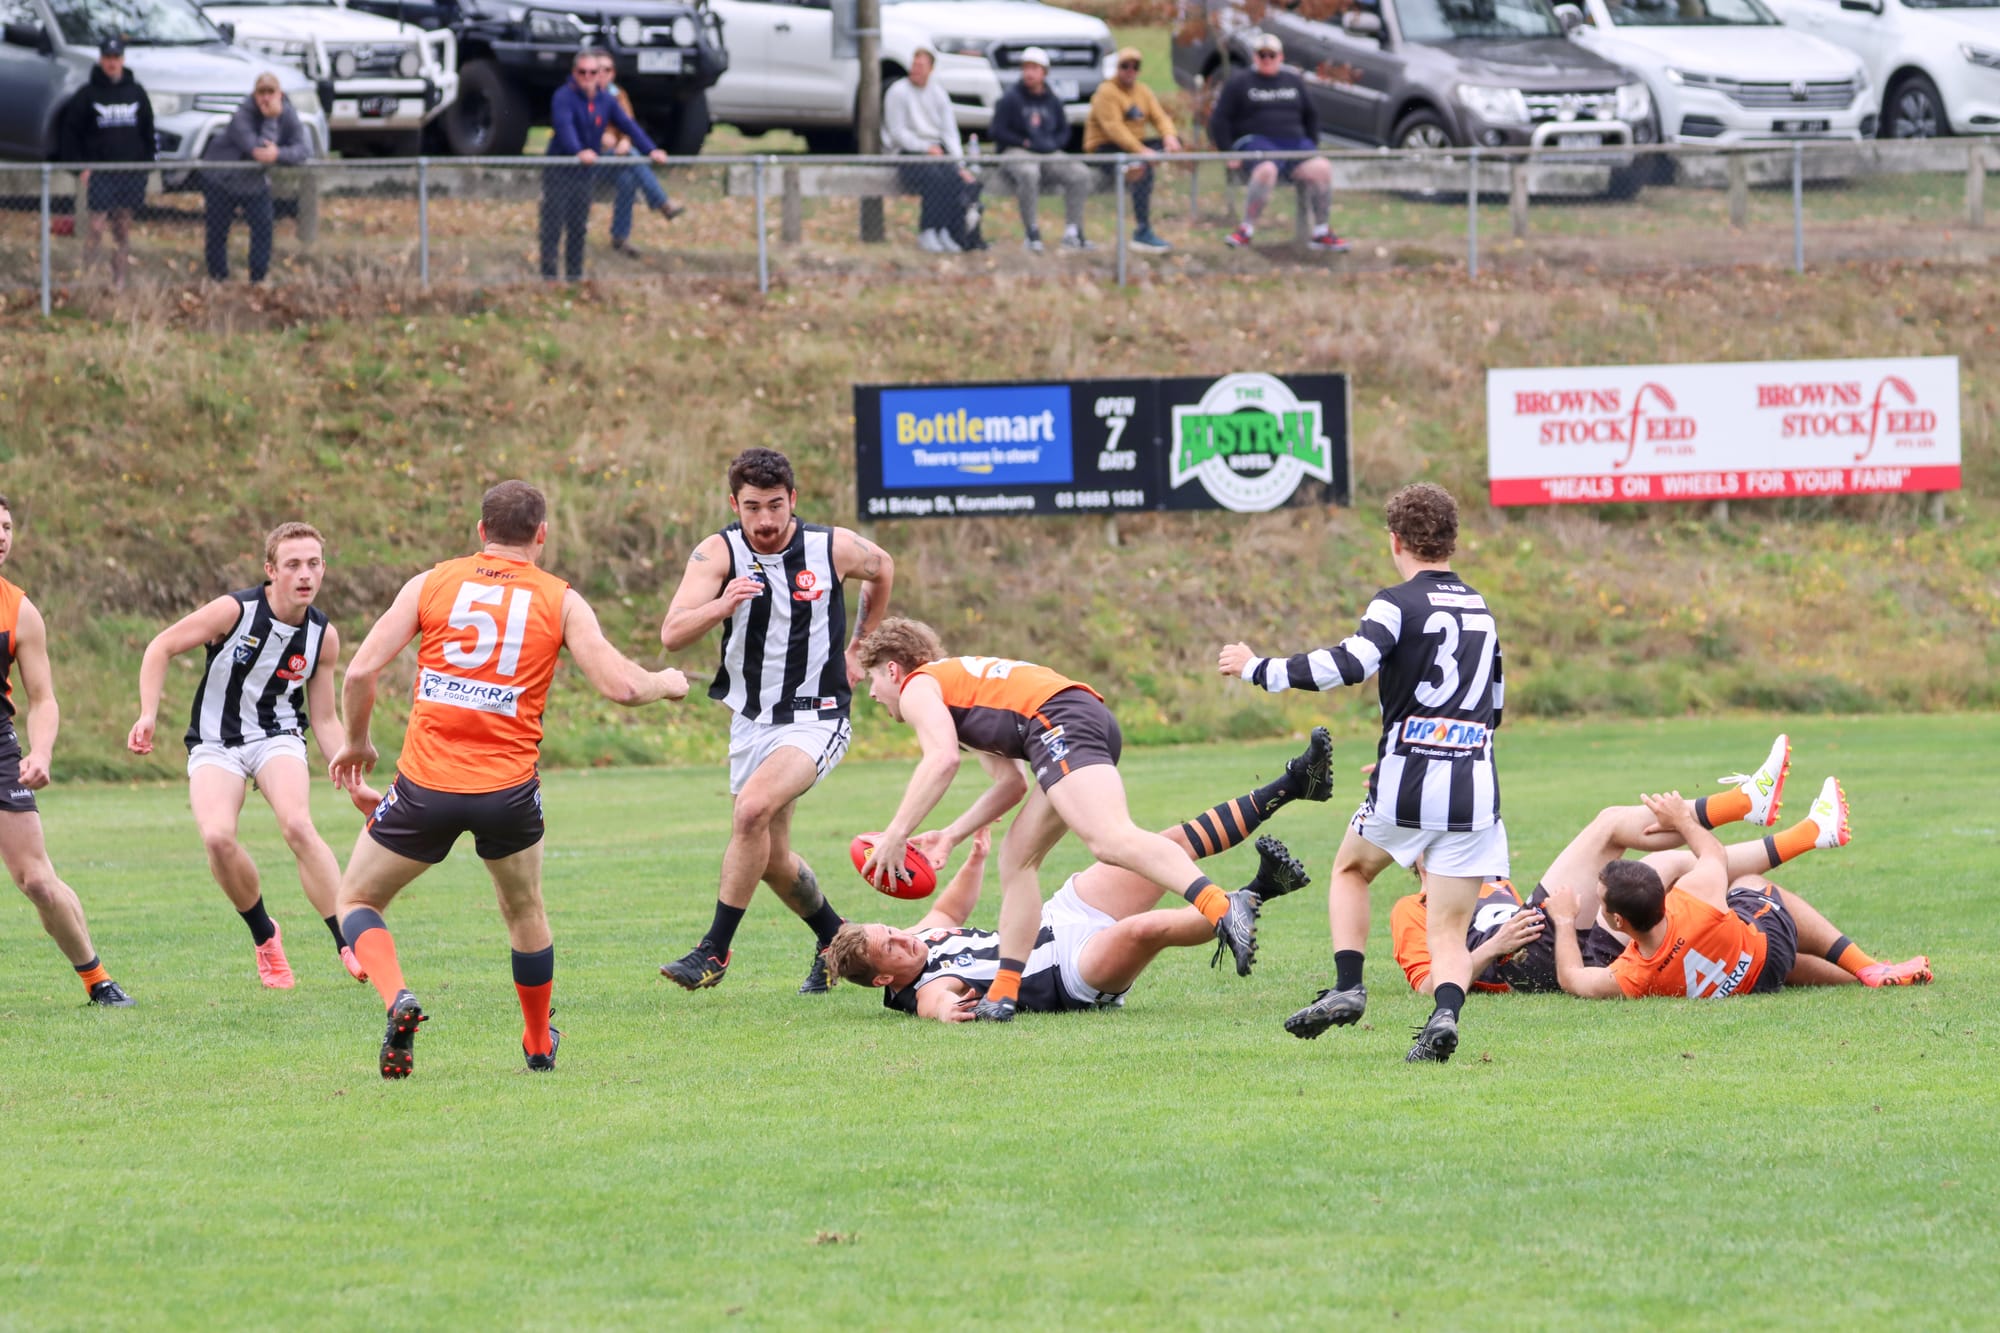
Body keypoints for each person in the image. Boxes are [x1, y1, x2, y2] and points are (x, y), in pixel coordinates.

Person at [330, 481, 689, 1079]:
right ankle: (537, 1040)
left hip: (426, 786)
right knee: (523, 911)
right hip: (507, 792)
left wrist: (358, 740)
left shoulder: (432, 582)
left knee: (357, 901)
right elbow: (622, 687)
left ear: (480, 533)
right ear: (542, 534)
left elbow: (361, 670)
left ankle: (398, 999)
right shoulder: (560, 599)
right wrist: (666, 680)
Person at [855, 620, 1334, 1021]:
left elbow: (940, 761)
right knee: (1016, 859)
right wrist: (952, 835)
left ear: (894, 669)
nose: (875, 694)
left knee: (1109, 840)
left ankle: (1220, 906)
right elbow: (1011, 785)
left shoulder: (919, 687)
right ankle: (1003, 993)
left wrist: (895, 836)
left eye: (872, 681)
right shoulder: (955, 694)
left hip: (1056, 722)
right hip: (1070, 717)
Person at [1218, 482, 1500, 1062]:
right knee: (1448, 927)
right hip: (1475, 786)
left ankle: (1348, 987)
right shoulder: (1482, 610)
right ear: (1452, 540)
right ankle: (1444, 1014)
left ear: (1394, 540)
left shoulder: (1395, 601)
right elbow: (1493, 705)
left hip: (1409, 779)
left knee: (1349, 869)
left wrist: (1256, 668)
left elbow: (1346, 664)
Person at [1387, 736, 1894, 995]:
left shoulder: (1489, 879)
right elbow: (1433, 984)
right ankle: (1762, 813)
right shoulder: (1413, 909)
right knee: (1644, 851)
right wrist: (1498, 946)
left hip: (1554, 934)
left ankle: (1768, 815)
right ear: (1421, 858)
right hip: (1530, 959)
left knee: (1637, 850)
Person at [657, 448, 894, 994]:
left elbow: (882, 569)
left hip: (817, 715)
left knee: (751, 812)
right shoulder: (717, 552)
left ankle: (713, 951)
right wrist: (722, 604)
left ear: (794, 499)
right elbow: (673, 633)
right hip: (751, 720)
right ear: (733, 504)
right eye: (752, 507)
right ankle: (837, 940)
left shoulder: (829, 546)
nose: (764, 520)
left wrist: (861, 646)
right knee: (770, 857)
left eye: (775, 506)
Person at [125, 522, 377, 989]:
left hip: (277, 734)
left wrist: (350, 773)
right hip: (214, 741)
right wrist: (147, 714)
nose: (306, 574)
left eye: (314, 564)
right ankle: (266, 936)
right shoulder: (234, 611)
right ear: (271, 570)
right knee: (218, 839)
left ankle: (348, 940)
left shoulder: (324, 635)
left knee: (298, 825)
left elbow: (322, 718)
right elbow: (160, 647)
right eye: (293, 565)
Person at [826, 810, 1311, 1020]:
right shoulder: (924, 989)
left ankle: (1291, 785)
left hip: (1058, 918)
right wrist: (949, 1015)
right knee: (1145, 929)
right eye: (890, 946)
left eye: (891, 929)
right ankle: (1255, 891)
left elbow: (948, 909)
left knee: (1158, 846)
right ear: (881, 980)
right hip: (1070, 973)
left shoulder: (916, 938)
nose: (903, 938)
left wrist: (974, 858)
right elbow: (939, 1007)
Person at [1549, 787, 1932, 1000]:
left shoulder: (1629, 977)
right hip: (1766, 956)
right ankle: (1866, 965)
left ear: (1619, 922)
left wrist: (1565, 920)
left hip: (1749, 981)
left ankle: (1860, 977)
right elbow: (1712, 854)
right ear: (1663, 899)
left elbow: (1571, 977)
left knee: (1742, 935)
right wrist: (1682, 820)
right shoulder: (1692, 899)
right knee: (1748, 886)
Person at [0, 496, 133, 1007]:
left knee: (36, 879)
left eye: (8, 527)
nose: (3, 536)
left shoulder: (20, 609)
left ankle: (97, 980)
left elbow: (43, 699)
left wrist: (42, 752)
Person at [1207, 33, 1347, 253]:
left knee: (1322, 168)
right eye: (1261, 54)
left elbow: (1311, 115)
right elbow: (1219, 119)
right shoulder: (1239, 82)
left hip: (1294, 144)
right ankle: (1246, 230)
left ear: (1280, 56)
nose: (1266, 59)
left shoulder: (1293, 81)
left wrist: (1311, 143)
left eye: (1271, 54)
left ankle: (1321, 232)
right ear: (1254, 56)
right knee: (1267, 169)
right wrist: (1228, 152)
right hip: (1257, 144)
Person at [541, 49, 666, 281]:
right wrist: (578, 151)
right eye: (582, 72)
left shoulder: (606, 100)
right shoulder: (563, 97)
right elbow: (564, 127)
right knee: (553, 224)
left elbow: (629, 126)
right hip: (560, 170)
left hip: (584, 173)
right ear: (574, 73)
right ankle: (549, 277)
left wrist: (651, 149)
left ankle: (574, 277)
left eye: (593, 72)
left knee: (578, 226)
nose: (588, 77)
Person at [57, 38, 154, 290]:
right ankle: (88, 278)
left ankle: (118, 281)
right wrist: (81, 168)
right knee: (96, 227)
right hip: (100, 172)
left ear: (122, 59)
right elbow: (70, 134)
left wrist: (145, 166)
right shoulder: (87, 94)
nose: (112, 62)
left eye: (116, 57)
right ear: (101, 59)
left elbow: (148, 131)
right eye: (107, 57)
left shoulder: (136, 92)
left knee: (122, 229)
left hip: (129, 172)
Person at [199, 72, 311, 283]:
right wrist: (270, 119)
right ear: (254, 94)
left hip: (254, 182)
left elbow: (303, 149)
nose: (266, 98)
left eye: (271, 92)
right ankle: (218, 280)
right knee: (217, 232)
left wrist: (279, 154)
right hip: (222, 178)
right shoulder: (242, 114)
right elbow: (259, 151)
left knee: (263, 228)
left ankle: (258, 280)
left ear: (280, 94)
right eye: (261, 93)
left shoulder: (287, 113)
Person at [990, 47, 1093, 253]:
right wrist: (1024, 142)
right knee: (1029, 172)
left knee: (1080, 174)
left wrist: (1053, 144)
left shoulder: (1052, 100)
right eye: (1026, 67)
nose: (1029, 73)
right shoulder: (1011, 98)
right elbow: (996, 130)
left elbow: (1064, 130)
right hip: (1018, 150)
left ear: (1044, 72)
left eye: (1034, 68)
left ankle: (1073, 232)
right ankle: (1032, 232)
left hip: (1047, 151)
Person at [883, 48, 985, 253]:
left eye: (921, 66)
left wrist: (959, 164)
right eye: (914, 65)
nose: (916, 70)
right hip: (907, 153)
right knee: (934, 177)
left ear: (931, 69)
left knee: (953, 177)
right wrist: (924, 147)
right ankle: (928, 231)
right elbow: (897, 133)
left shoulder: (937, 93)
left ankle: (947, 231)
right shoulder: (898, 91)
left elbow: (949, 133)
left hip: (936, 153)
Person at [1084, 45, 1180, 254]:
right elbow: (1114, 128)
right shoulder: (1106, 92)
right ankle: (1142, 230)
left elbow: (1159, 116)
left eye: (1135, 67)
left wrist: (1169, 136)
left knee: (1163, 147)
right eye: (1125, 66)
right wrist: (1141, 151)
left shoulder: (1142, 92)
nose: (1130, 71)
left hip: (1135, 146)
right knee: (1141, 167)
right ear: (1117, 68)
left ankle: (1146, 161)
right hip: (1106, 147)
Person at [600, 68, 685, 257]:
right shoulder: (583, 96)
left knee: (627, 180)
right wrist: (601, 138)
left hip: (616, 158)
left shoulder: (617, 94)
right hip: (589, 162)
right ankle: (661, 202)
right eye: (597, 70)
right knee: (630, 154)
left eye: (608, 70)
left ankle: (620, 238)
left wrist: (628, 141)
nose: (602, 75)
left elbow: (628, 125)